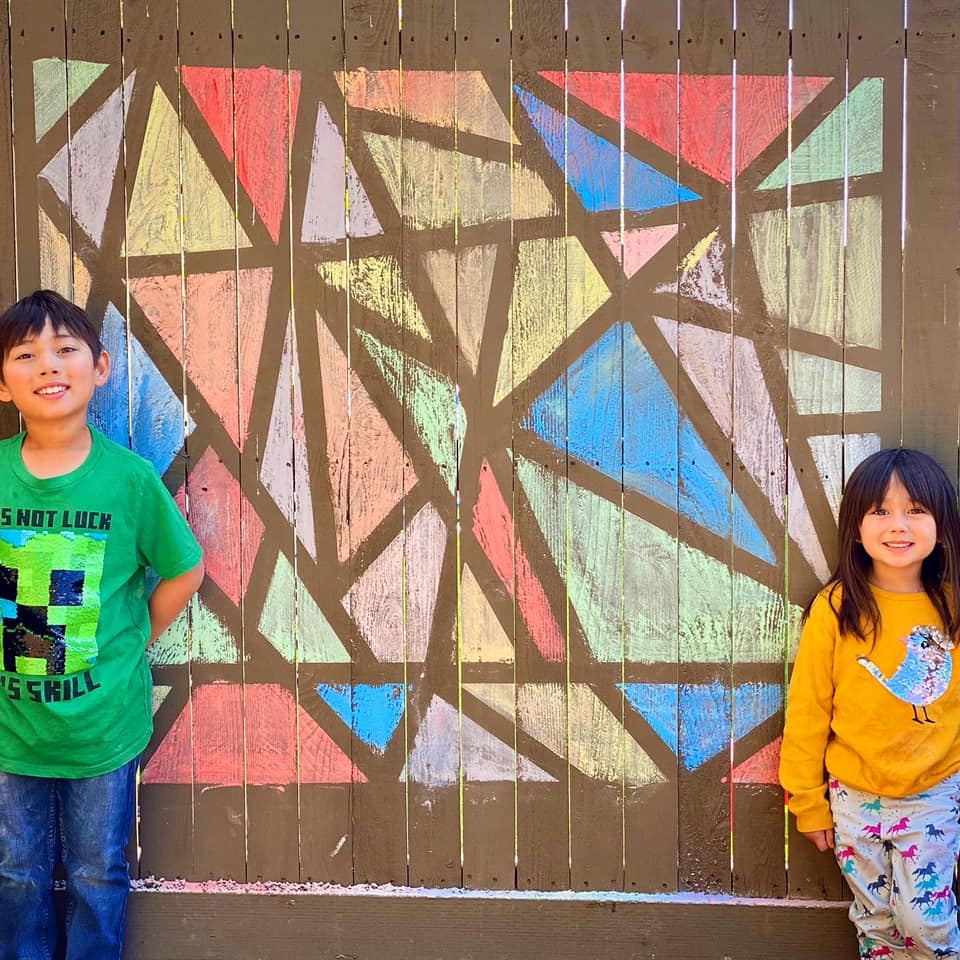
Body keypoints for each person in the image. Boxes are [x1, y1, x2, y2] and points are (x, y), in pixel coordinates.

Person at [0, 290, 204, 959]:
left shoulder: (129, 481)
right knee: (16, 876)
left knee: (97, 873)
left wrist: (137, 640)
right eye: (25, 354)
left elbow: (183, 570)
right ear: (3, 384)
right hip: (10, 730)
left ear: (101, 368)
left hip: (103, 729)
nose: (48, 365)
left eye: (66, 349)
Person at [780, 447, 960, 960]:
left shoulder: (952, 607)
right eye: (880, 510)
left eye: (915, 510)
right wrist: (807, 801)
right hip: (854, 797)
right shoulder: (837, 609)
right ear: (856, 528)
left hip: (933, 792)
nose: (898, 524)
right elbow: (808, 710)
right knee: (876, 919)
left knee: (925, 923)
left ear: (942, 526)